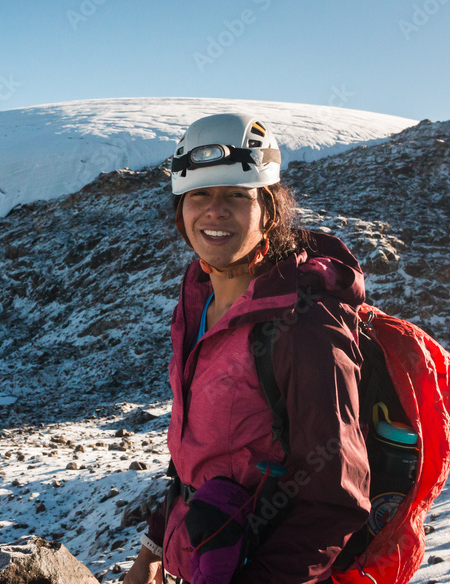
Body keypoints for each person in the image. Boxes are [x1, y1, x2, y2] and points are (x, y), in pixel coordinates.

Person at [124, 113, 371, 584]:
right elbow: (197, 457)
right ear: (181, 210)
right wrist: (153, 549)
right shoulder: (197, 295)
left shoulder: (304, 325)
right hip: (202, 559)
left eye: (237, 196)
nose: (215, 210)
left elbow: (333, 501)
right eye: (200, 195)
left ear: (269, 212)